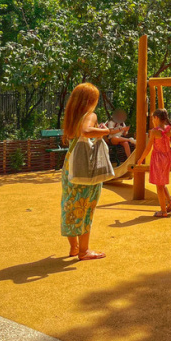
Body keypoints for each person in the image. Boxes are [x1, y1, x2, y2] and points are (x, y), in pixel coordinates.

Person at [60, 83, 111, 261]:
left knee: (70, 203)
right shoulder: (89, 115)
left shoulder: (72, 116)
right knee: (86, 204)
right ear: (90, 101)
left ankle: (74, 247)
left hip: (70, 164)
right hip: (83, 166)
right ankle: (84, 250)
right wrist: (105, 131)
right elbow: (87, 131)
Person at [137, 108, 171, 217]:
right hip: (167, 158)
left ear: (156, 118)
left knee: (159, 185)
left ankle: (163, 211)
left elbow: (148, 148)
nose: (152, 120)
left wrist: (141, 159)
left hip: (158, 159)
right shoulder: (170, 130)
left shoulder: (154, 132)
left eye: (152, 118)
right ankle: (170, 201)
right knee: (162, 182)